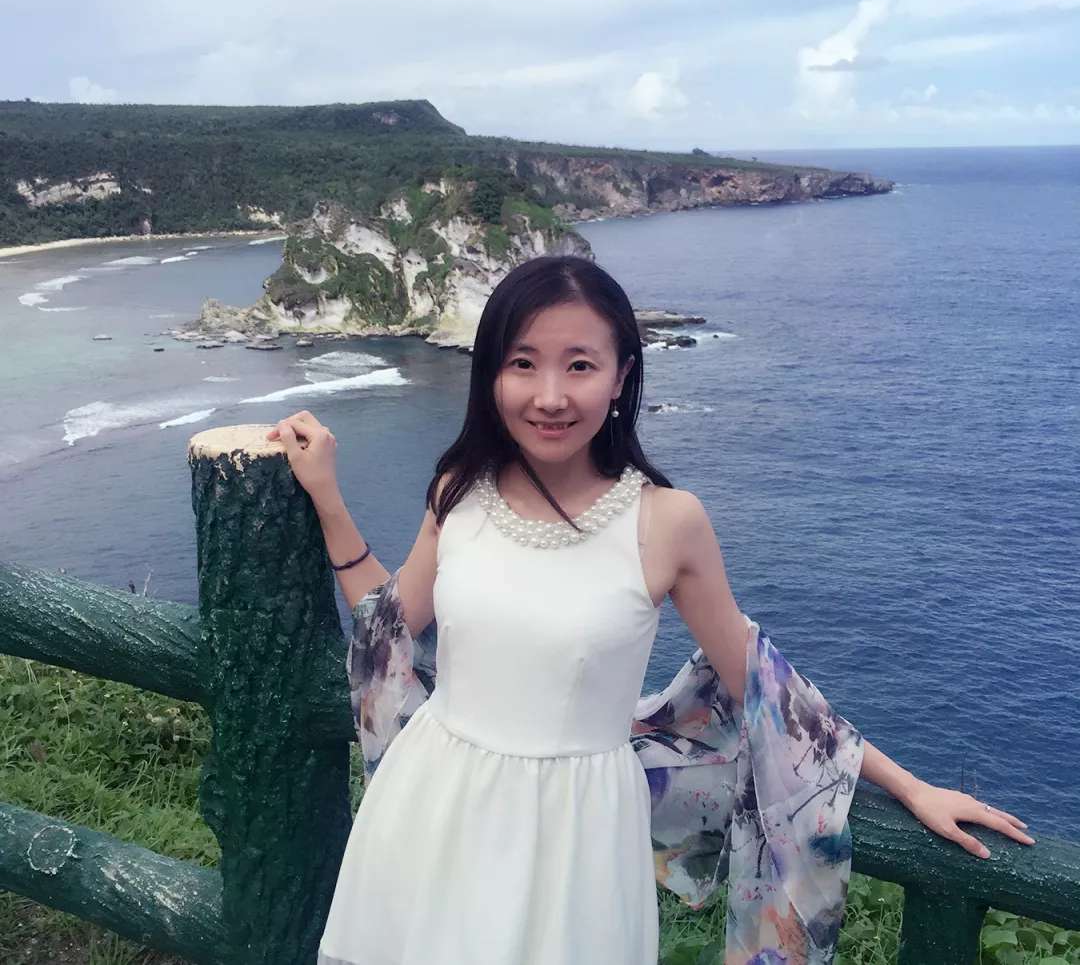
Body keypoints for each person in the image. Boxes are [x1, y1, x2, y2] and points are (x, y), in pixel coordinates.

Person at [266, 255, 1034, 964]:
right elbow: (391, 627)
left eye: (580, 364)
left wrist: (911, 787)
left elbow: (766, 689)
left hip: (575, 836)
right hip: (432, 804)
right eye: (523, 363)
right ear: (491, 373)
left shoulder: (667, 521)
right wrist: (329, 498)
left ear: (621, 374)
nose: (550, 395)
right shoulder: (459, 489)